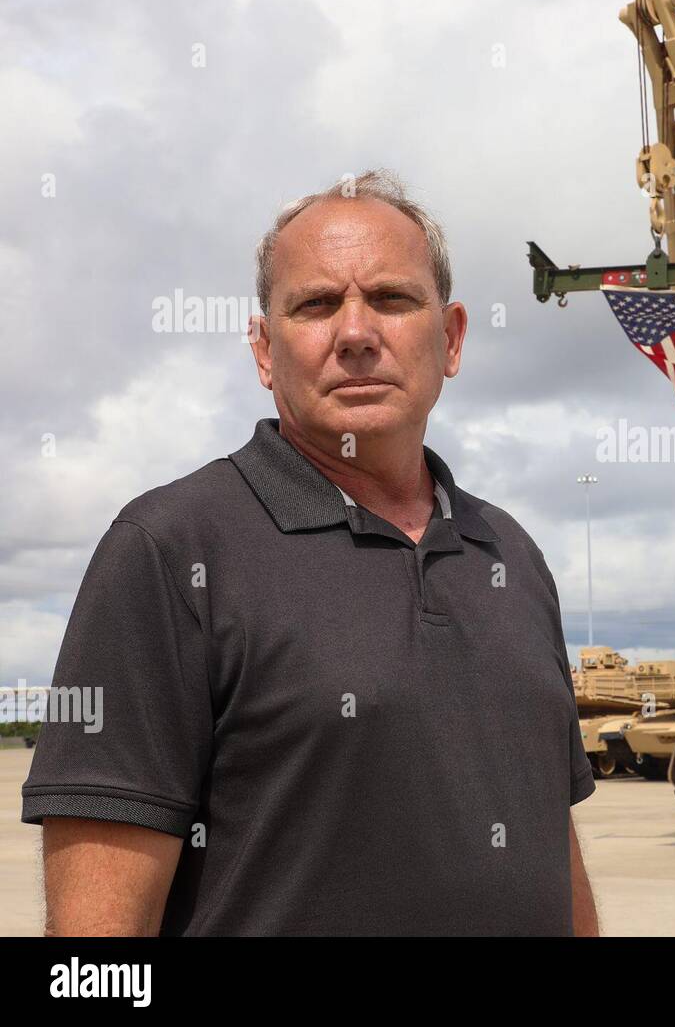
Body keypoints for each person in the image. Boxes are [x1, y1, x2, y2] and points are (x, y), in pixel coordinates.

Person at [22, 170, 598, 936]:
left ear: (451, 337)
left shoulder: (511, 556)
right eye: (316, 304)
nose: (356, 333)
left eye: (392, 299)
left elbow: (550, 841)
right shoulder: (167, 552)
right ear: (264, 350)